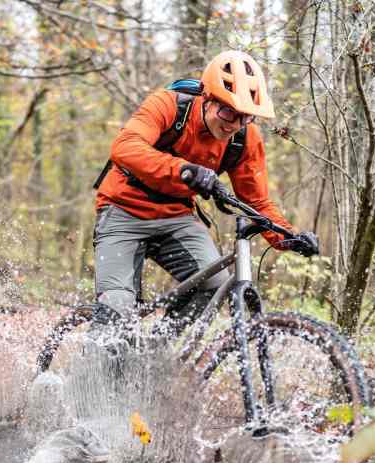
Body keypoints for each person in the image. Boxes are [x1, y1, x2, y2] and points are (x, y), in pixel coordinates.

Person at [91, 50, 319, 332]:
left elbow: (257, 200)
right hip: (122, 211)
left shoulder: (244, 140)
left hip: (176, 217)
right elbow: (125, 146)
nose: (234, 125)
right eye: (227, 112)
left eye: (245, 117)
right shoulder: (168, 105)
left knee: (214, 283)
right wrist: (184, 169)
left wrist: (288, 238)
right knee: (117, 306)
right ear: (207, 98)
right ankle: (88, 374)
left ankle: (157, 351)